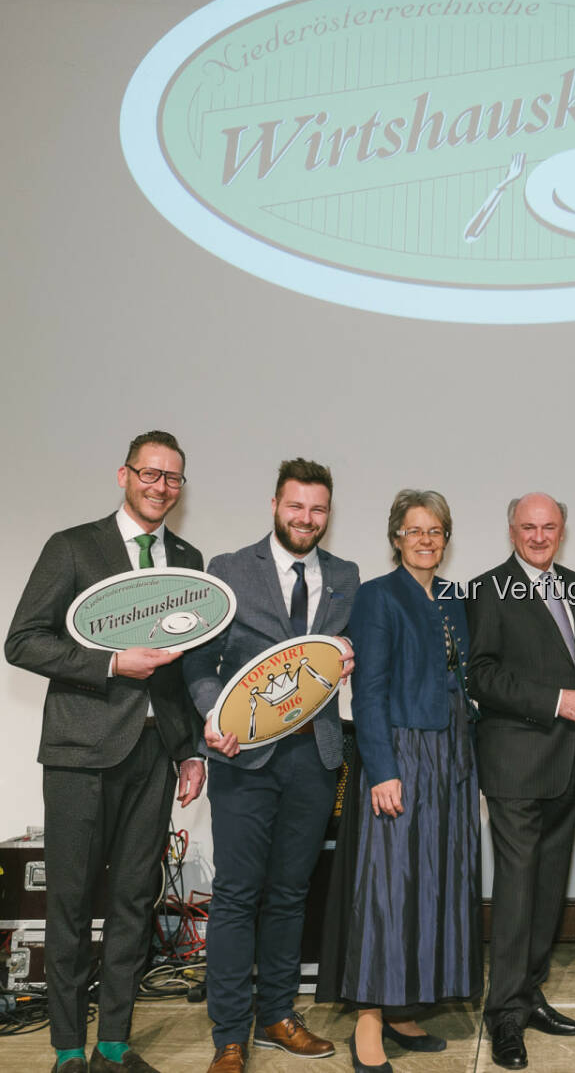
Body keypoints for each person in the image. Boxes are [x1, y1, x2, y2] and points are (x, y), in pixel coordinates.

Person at [5, 431, 207, 1073]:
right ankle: (68, 1049)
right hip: (79, 751)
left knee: (134, 903)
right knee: (69, 901)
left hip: (155, 754)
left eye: (172, 478)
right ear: (124, 475)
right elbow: (23, 641)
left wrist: (193, 748)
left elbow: (183, 668)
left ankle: (113, 1046)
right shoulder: (72, 547)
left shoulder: (186, 557)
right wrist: (112, 661)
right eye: (150, 473)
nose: (160, 487)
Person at [183, 459, 359, 1073]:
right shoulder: (229, 571)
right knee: (236, 896)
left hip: (315, 757)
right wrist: (214, 716)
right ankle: (229, 1034)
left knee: (289, 895)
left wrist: (350, 656)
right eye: (296, 506)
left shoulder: (346, 576)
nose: (306, 519)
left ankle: (278, 1016)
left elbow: (341, 657)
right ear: (275, 504)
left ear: (327, 515)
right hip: (243, 760)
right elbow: (199, 665)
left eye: (317, 509)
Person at [330, 491, 482, 1073]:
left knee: (434, 882)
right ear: (396, 537)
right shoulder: (376, 596)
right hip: (401, 753)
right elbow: (365, 690)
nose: (426, 540)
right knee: (388, 889)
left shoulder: (451, 596)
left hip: (451, 754)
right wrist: (383, 769)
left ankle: (403, 1008)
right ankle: (369, 1020)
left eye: (436, 530)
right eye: (415, 530)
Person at [465, 493, 575, 1070]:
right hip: (516, 763)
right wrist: (556, 701)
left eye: (549, 527)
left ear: (563, 529)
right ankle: (503, 1016)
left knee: (549, 890)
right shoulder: (487, 588)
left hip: (569, 765)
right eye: (529, 526)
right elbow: (482, 674)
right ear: (511, 530)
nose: (539, 536)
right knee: (519, 891)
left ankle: (530, 994)